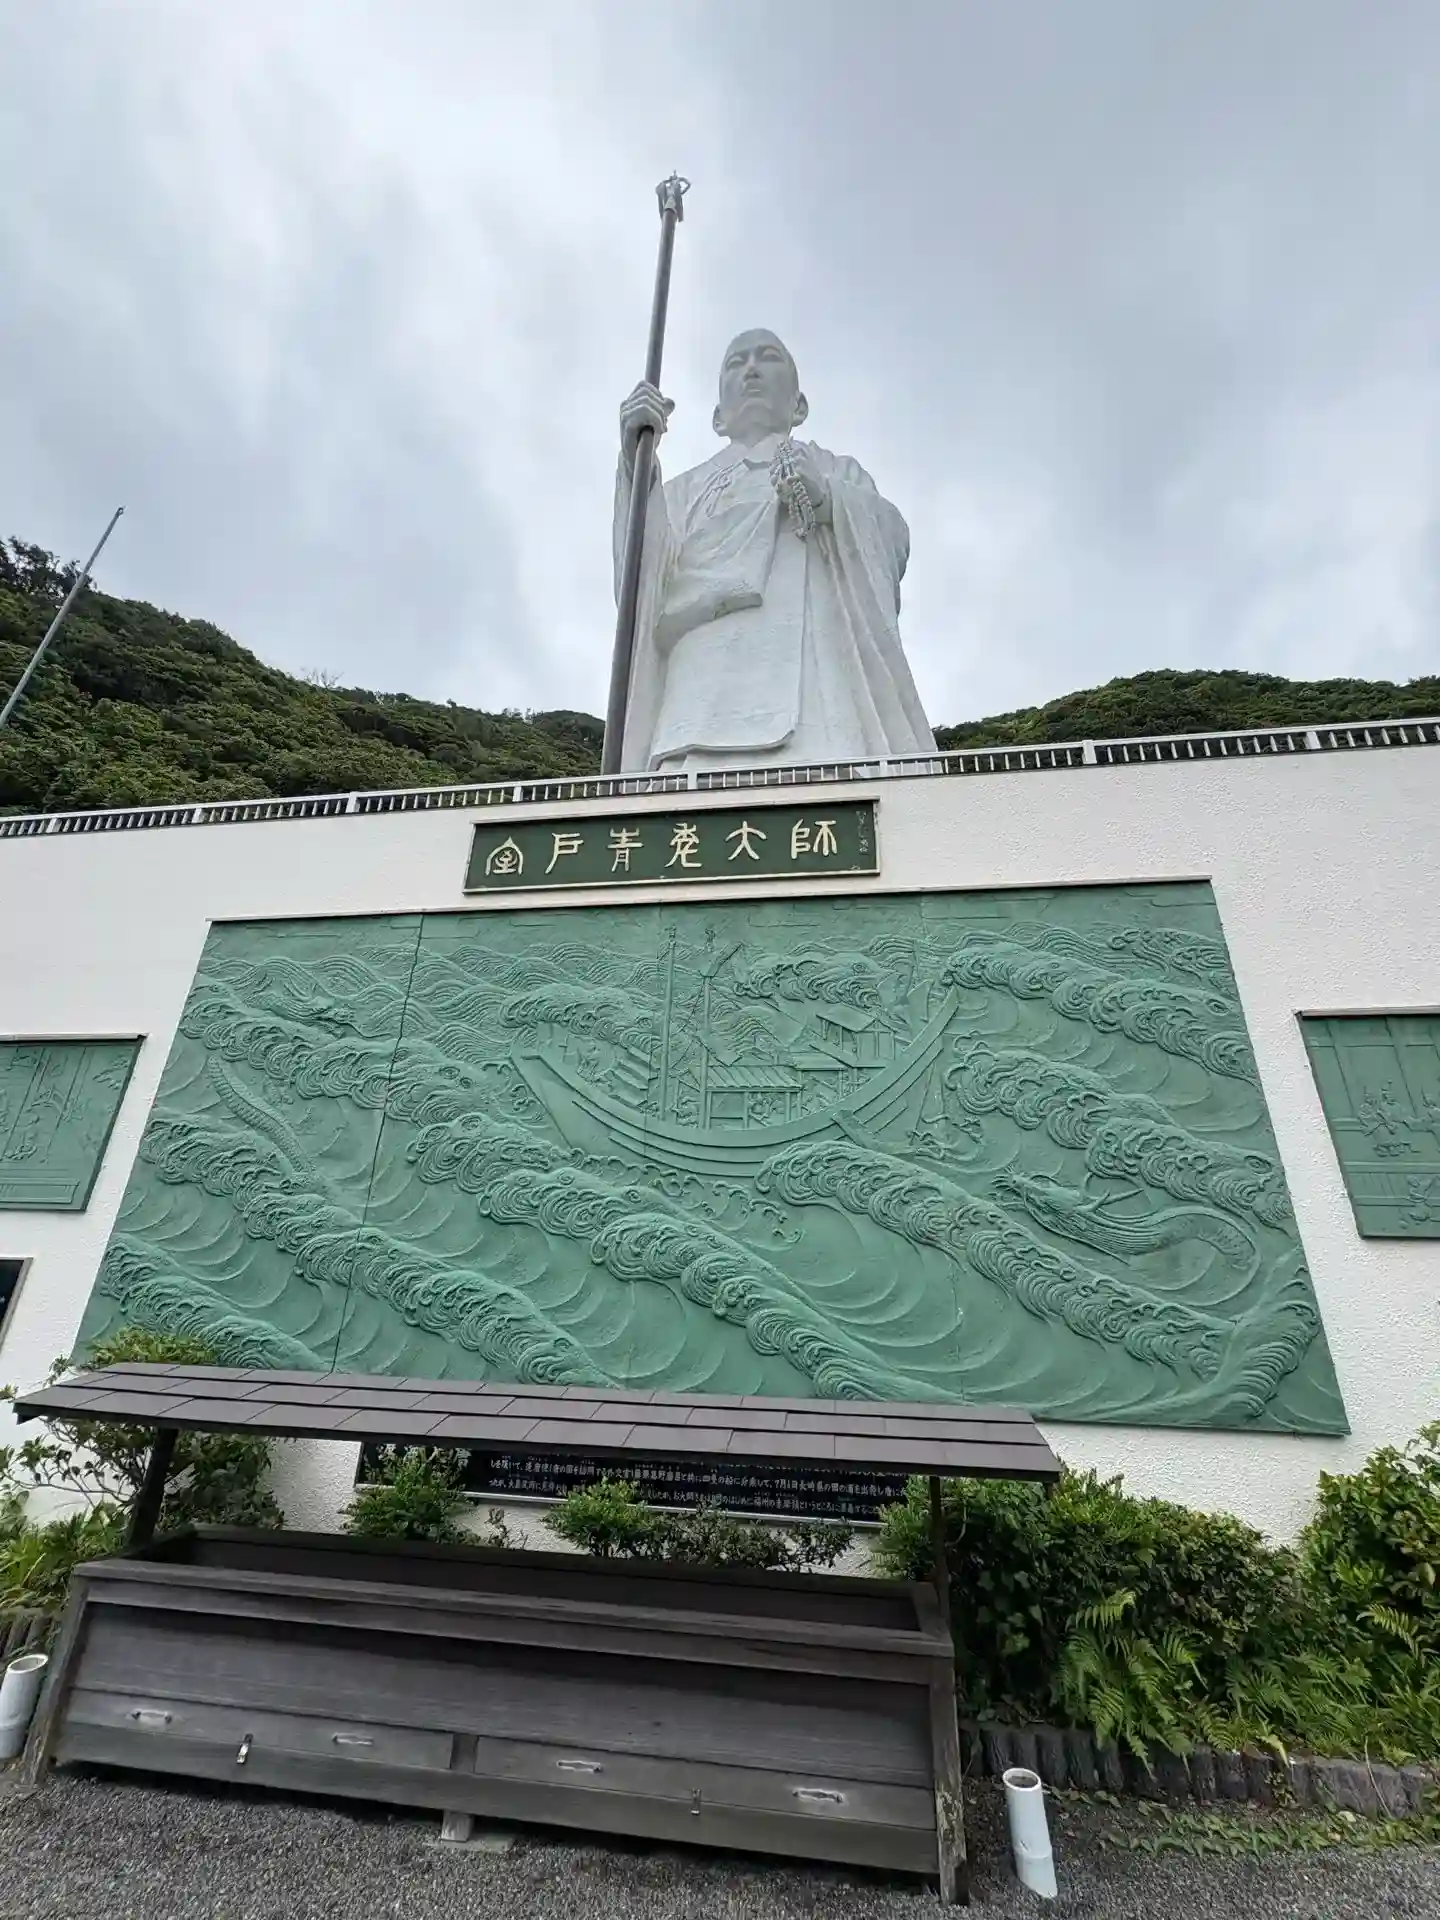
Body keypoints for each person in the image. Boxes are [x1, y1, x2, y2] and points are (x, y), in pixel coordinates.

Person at [614, 328, 936, 773]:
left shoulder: (834, 470)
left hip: (816, 690)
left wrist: (827, 500)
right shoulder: (680, 491)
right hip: (700, 687)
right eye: (736, 363)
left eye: (767, 358)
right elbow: (642, 586)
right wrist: (636, 468)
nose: (750, 370)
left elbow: (892, 539)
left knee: (828, 780)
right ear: (717, 419)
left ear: (799, 406)